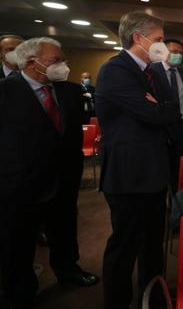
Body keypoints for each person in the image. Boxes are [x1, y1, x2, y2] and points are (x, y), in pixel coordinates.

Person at [0, 37, 99, 309]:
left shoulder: (70, 91)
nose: (63, 65)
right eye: (56, 61)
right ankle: (19, 291)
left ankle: (68, 270)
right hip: (21, 184)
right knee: (18, 242)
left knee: (65, 230)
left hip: (64, 178)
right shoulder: (6, 92)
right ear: (32, 63)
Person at [96, 11, 179, 309]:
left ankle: (153, 295)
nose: (162, 45)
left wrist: (160, 110)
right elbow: (153, 114)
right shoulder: (114, 70)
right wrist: (158, 110)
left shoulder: (154, 71)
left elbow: (171, 111)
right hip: (128, 175)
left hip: (155, 171)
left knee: (153, 243)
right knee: (125, 246)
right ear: (138, 38)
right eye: (158, 40)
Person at [150, 38, 183, 190]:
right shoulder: (152, 71)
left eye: (180, 52)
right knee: (161, 168)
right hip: (162, 129)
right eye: (173, 52)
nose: (177, 55)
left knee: (179, 169)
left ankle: (177, 202)